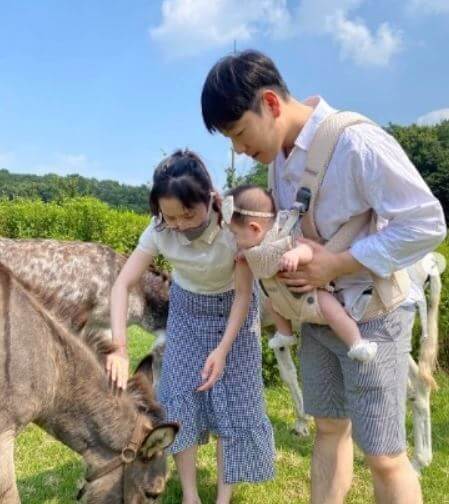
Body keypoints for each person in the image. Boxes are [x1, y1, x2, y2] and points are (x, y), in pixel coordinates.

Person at [201, 49, 446, 504]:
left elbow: (426, 224)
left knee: (384, 455)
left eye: (239, 133)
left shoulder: (357, 142)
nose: (238, 148)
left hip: (371, 315)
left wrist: (336, 264)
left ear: (270, 103)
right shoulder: (278, 158)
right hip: (316, 318)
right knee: (329, 429)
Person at [107, 149, 275, 504]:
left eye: (188, 214)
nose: (180, 224)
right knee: (181, 396)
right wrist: (119, 348)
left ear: (209, 199)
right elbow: (122, 284)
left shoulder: (231, 226)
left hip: (234, 310)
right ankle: (190, 495)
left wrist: (223, 350)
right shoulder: (158, 230)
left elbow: (243, 295)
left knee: (233, 402)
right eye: (170, 216)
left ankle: (223, 498)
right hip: (187, 310)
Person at [223, 184, 377, 362]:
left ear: (255, 228)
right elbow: (259, 256)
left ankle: (356, 342)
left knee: (332, 310)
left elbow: (308, 249)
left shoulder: (283, 235)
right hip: (283, 297)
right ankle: (285, 333)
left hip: (310, 294)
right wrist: (245, 255)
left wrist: (295, 255)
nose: (234, 240)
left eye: (235, 234)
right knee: (271, 304)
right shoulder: (254, 248)